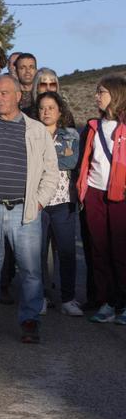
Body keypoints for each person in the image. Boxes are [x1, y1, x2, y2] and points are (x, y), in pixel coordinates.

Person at [0, 75, 58, 344]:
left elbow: (51, 173)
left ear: (19, 96)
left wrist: (39, 202)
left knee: (30, 270)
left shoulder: (35, 130)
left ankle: (30, 321)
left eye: (5, 93)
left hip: (24, 211)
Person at [76, 76, 126, 324]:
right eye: (96, 92)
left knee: (120, 251)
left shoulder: (125, 126)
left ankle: (123, 303)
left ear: (115, 95)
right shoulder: (93, 126)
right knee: (99, 250)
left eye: (102, 92)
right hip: (95, 192)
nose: (97, 96)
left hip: (121, 194)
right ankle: (106, 302)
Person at [34, 91, 82, 316]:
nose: (46, 111)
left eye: (51, 107)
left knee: (66, 252)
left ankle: (68, 298)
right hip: (38, 202)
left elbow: (71, 161)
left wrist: (43, 159)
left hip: (64, 202)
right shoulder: (31, 134)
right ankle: (41, 296)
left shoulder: (70, 134)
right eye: (42, 107)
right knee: (38, 253)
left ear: (59, 111)